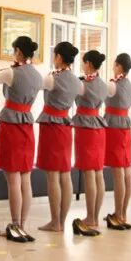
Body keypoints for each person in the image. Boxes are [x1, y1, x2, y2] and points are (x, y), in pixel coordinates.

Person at [0, 36, 43, 242]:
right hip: (27, 124)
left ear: (19, 52)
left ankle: (14, 226)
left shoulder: (11, 72)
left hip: (11, 124)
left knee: (13, 179)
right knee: (25, 178)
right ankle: (21, 225)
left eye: (14, 51)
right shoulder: (37, 75)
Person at [36, 42, 81, 233]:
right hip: (65, 127)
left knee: (52, 176)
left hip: (51, 126)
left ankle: (55, 222)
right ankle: (61, 221)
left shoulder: (52, 78)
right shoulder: (77, 81)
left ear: (59, 57)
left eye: (55, 55)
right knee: (65, 174)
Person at [73, 51, 108, 234]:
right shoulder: (104, 84)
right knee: (98, 173)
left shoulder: (82, 84)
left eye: (83, 62)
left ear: (88, 64)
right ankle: (95, 216)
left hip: (85, 128)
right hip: (99, 127)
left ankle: (90, 216)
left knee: (89, 175)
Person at [103, 53, 131, 230]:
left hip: (113, 126)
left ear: (118, 66)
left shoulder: (112, 85)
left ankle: (118, 214)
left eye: (114, 65)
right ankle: (123, 212)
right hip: (125, 126)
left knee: (118, 173)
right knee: (126, 171)